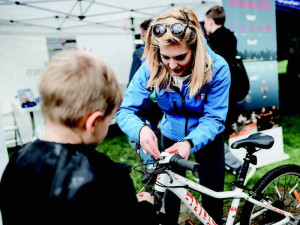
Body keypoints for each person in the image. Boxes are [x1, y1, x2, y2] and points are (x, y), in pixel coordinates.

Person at [0, 50, 158, 225]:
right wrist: (145, 208)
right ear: (93, 122)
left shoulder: (17, 161)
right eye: (108, 119)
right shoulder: (110, 178)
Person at [116, 6, 230, 225]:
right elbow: (126, 110)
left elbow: (214, 118)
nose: (172, 65)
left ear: (195, 48)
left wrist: (190, 142)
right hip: (170, 134)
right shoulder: (152, 64)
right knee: (171, 191)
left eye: (180, 57)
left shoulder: (218, 68)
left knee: (211, 195)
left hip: (207, 137)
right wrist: (141, 129)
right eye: (165, 57)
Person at [128, 18, 163, 183]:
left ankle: (151, 165)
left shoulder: (139, 53)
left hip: (146, 103)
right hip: (163, 104)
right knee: (157, 133)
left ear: (144, 34)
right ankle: (160, 164)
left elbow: (132, 83)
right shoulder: (166, 51)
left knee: (141, 133)